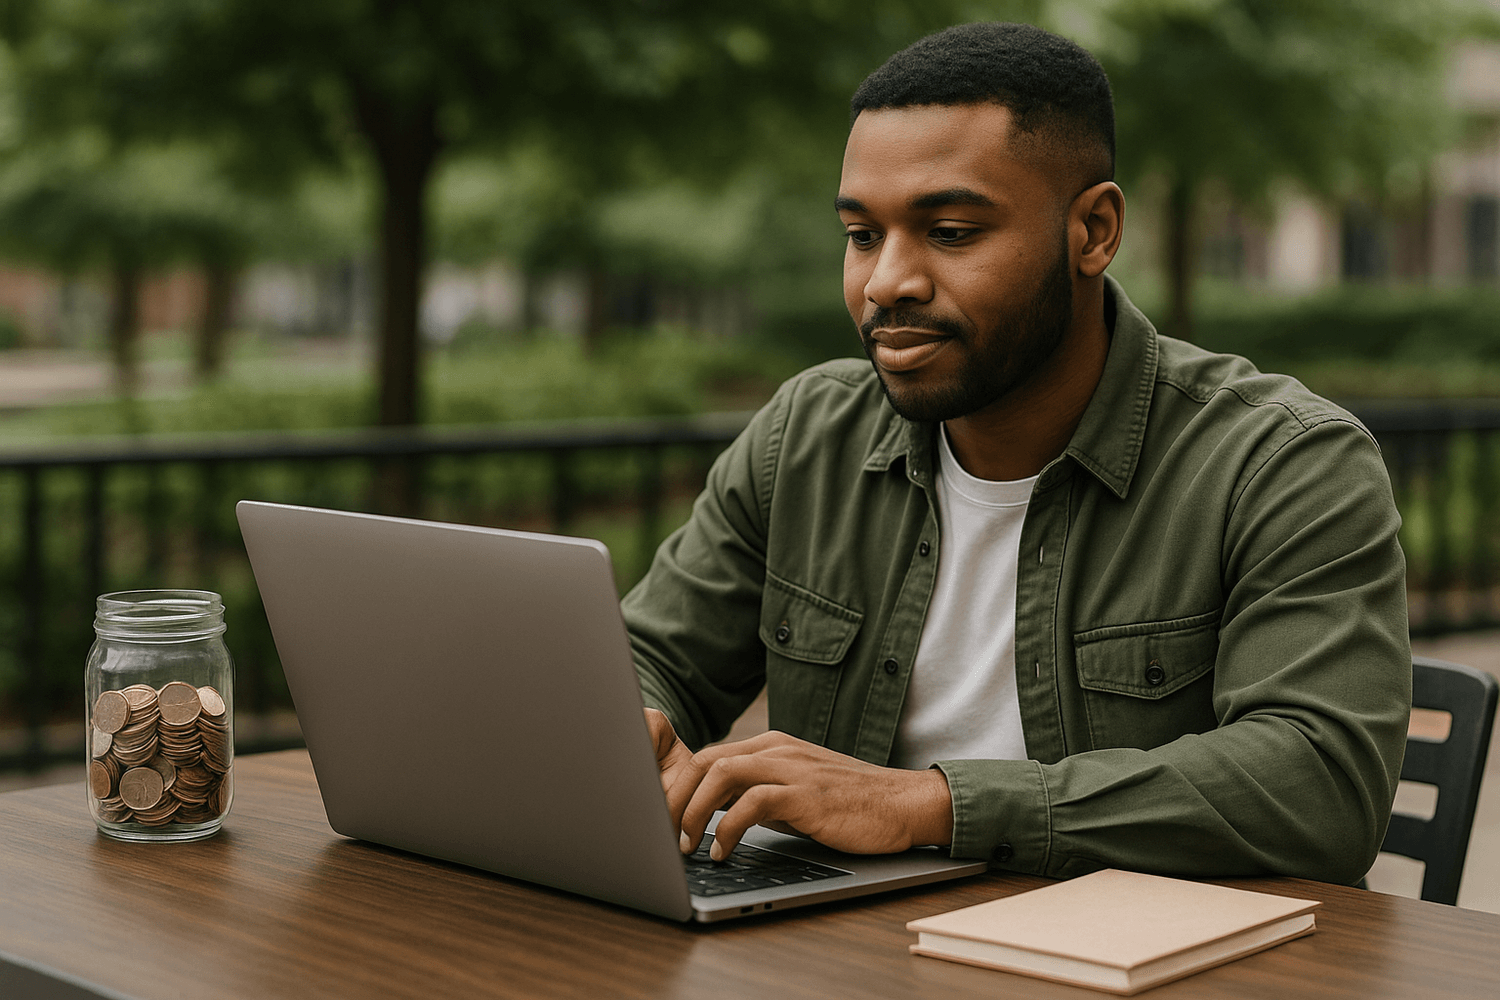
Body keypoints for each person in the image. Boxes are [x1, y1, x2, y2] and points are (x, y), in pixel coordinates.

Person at [622, 22, 1410, 884]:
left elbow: (1318, 784)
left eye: (951, 230)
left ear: (1094, 231)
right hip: (852, 951)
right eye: (861, 235)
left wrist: (924, 804)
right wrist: (632, 716)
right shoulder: (804, 438)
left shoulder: (1284, 464)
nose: (887, 281)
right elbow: (651, 654)